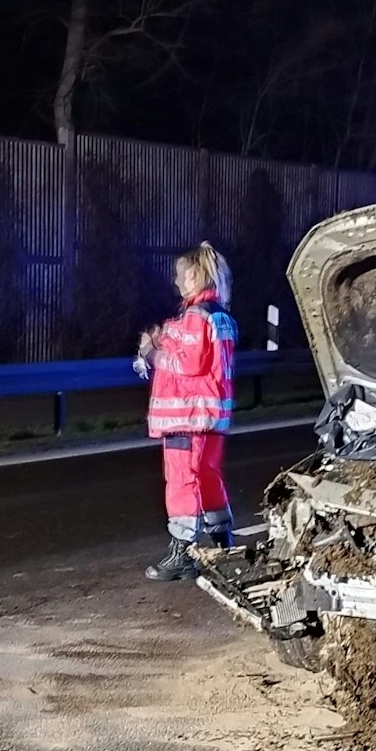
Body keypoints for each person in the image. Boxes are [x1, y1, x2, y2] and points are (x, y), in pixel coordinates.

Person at [136, 242, 238, 581]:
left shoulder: (197, 317)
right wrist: (163, 339)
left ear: (194, 275)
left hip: (187, 418)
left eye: (181, 275)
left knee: (182, 481)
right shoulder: (216, 316)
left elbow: (187, 364)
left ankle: (182, 552)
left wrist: (151, 353)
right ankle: (223, 542)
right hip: (209, 417)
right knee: (207, 476)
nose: (177, 282)